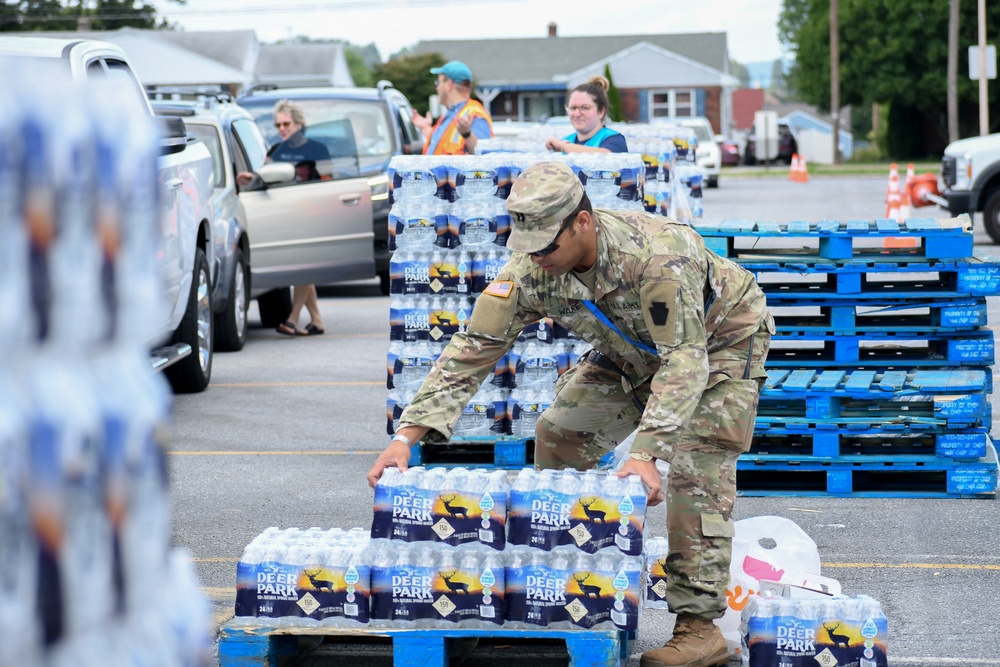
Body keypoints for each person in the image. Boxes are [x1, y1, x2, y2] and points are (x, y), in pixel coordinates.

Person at [368, 162, 773, 667]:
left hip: (718, 345)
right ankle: (574, 583)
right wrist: (406, 436)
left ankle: (698, 626)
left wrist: (647, 453)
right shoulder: (533, 266)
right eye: (528, 246)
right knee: (559, 434)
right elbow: (474, 347)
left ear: (582, 222)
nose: (536, 257)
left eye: (545, 246)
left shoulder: (657, 256)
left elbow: (685, 359)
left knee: (697, 466)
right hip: (630, 350)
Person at [268, 99, 328, 336]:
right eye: (278, 125)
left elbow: (329, 181)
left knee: (304, 266)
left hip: (312, 216)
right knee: (304, 267)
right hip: (285, 217)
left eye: (286, 124)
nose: (281, 128)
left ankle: (292, 319)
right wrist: (250, 179)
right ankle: (317, 320)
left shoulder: (318, 150)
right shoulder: (275, 151)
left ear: (299, 124)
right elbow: (264, 178)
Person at [411, 60, 493, 155]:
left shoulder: (475, 114)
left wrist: (467, 134)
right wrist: (425, 127)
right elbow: (443, 145)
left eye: (437, 83)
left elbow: (483, 154)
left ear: (449, 85)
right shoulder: (451, 115)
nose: (436, 88)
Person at [545, 76, 628, 154]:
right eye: (573, 108)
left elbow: (605, 156)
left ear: (601, 112)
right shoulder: (566, 140)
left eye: (585, 108)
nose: (577, 114)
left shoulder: (614, 140)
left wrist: (563, 147)